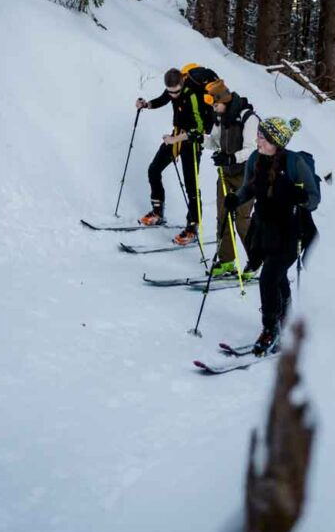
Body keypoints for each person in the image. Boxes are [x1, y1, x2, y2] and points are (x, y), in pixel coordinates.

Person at [225, 116, 320, 355]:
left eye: (262, 137)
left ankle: (270, 329)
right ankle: (284, 318)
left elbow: (314, 198)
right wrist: (236, 199)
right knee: (276, 278)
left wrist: (298, 197)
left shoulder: (294, 163)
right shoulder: (255, 159)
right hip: (264, 230)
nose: (257, 139)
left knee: (267, 278)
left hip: (290, 231)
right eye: (258, 134)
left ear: (276, 142)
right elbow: (249, 188)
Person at [135, 65, 216, 244]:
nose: (173, 95)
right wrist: (146, 105)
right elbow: (163, 99)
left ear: (182, 83)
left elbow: (200, 128)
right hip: (177, 136)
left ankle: (192, 227)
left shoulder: (193, 95)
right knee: (154, 169)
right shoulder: (172, 90)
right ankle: (157, 212)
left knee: (191, 186)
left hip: (191, 141)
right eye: (171, 91)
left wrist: (175, 139)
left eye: (176, 92)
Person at [202, 78, 259, 278]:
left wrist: (230, 157)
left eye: (215, 105)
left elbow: (252, 150)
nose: (214, 109)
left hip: (246, 175)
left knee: (242, 219)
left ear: (224, 100)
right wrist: (199, 138)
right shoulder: (220, 117)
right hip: (225, 174)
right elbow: (215, 142)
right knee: (223, 217)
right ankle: (227, 261)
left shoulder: (248, 118)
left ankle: (255, 261)